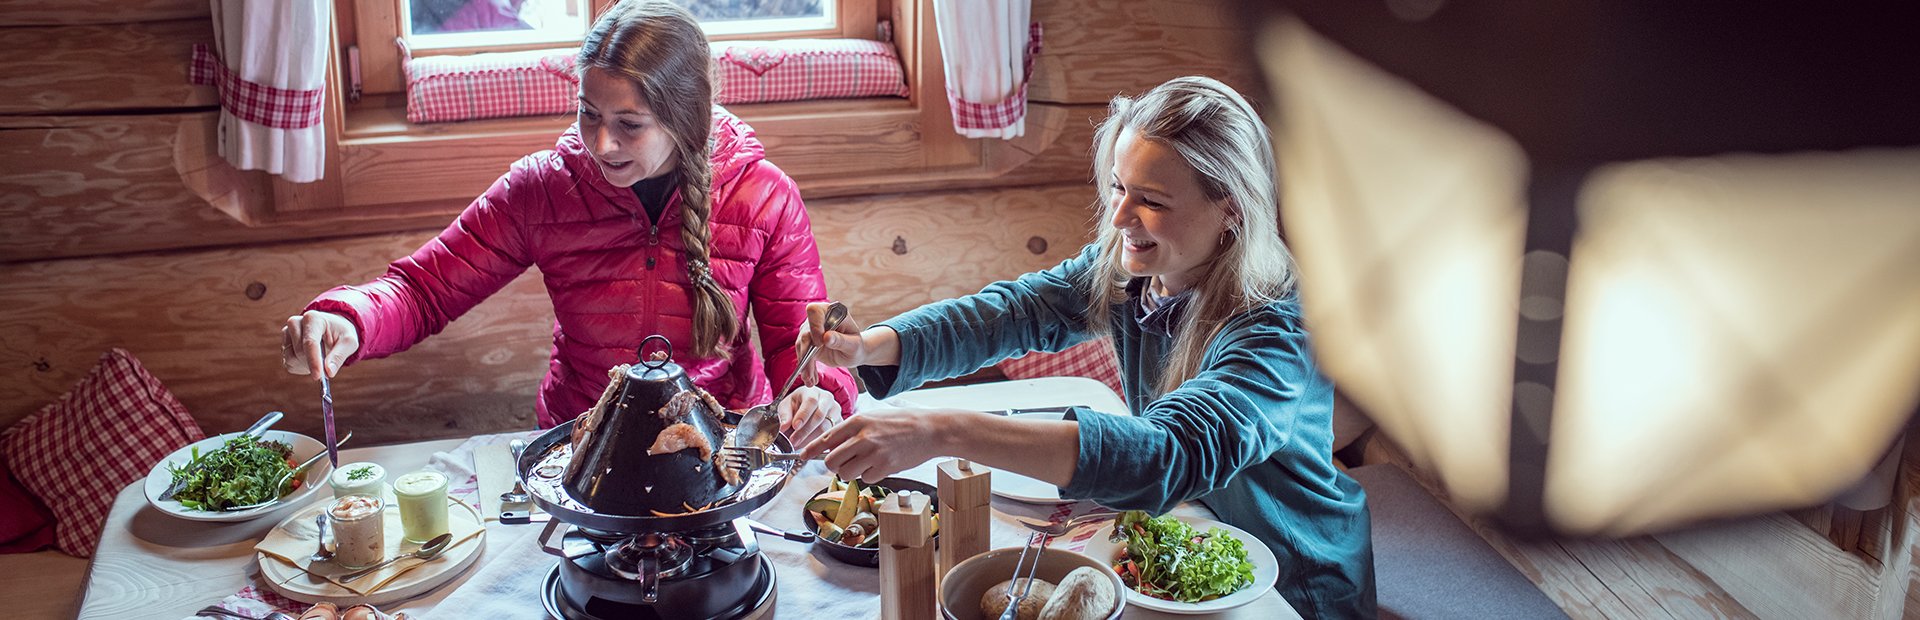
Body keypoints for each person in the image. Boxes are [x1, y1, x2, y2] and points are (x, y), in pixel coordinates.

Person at [795, 76, 1375, 618]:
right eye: (1119, 187)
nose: (1120, 216)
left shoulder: (1276, 327)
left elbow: (1169, 452)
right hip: (1180, 546)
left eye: (1152, 200)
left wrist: (943, 431)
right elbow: (1014, 312)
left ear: (1230, 209)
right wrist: (868, 346)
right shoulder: (1137, 272)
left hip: (1294, 579)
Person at [281, 0, 856, 441]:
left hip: (720, 450)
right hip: (582, 445)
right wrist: (350, 318)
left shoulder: (763, 196)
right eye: (588, 114)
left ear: (686, 118)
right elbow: (424, 290)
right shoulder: (543, 189)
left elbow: (803, 351)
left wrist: (820, 395)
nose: (601, 143)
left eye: (629, 124)